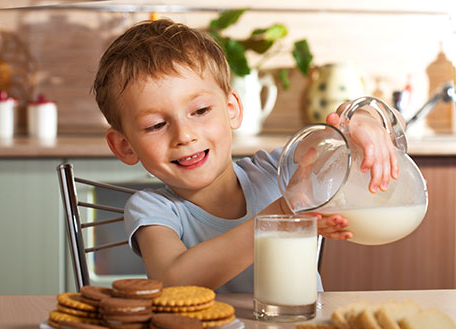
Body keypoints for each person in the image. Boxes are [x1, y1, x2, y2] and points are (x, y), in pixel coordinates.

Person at [92, 19, 401, 293]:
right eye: (156, 125)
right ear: (124, 146)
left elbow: (384, 137)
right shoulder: (153, 210)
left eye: (200, 111)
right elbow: (173, 281)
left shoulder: (278, 170)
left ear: (232, 110)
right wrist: (282, 213)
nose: (184, 136)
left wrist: (365, 121)